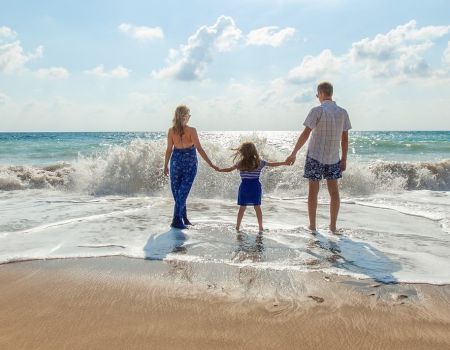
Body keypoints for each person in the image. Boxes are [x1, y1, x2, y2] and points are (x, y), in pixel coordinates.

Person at [285, 82, 352, 233]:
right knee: (334, 193)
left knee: (313, 192)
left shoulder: (317, 110)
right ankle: (333, 227)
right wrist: (344, 158)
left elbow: (305, 134)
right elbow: (345, 139)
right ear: (331, 93)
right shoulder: (343, 112)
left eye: (317, 94)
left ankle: (313, 226)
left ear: (321, 93)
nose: (317, 97)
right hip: (334, 157)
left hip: (315, 156)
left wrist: (294, 153)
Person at [164, 105, 218, 229]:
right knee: (181, 193)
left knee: (179, 193)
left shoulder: (171, 131)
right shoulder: (191, 130)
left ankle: (184, 218)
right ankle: (176, 220)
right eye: (188, 114)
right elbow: (199, 149)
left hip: (176, 161)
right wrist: (211, 163)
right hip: (189, 162)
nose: (189, 117)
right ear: (185, 116)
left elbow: (169, 150)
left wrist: (165, 165)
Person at [217, 142, 287, 233]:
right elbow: (273, 164)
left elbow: (229, 169)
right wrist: (284, 163)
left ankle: (237, 227)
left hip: (244, 187)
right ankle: (260, 227)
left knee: (242, 208)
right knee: (257, 207)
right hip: (255, 187)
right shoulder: (259, 162)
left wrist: (219, 169)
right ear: (254, 151)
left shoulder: (240, 163)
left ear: (242, 152)